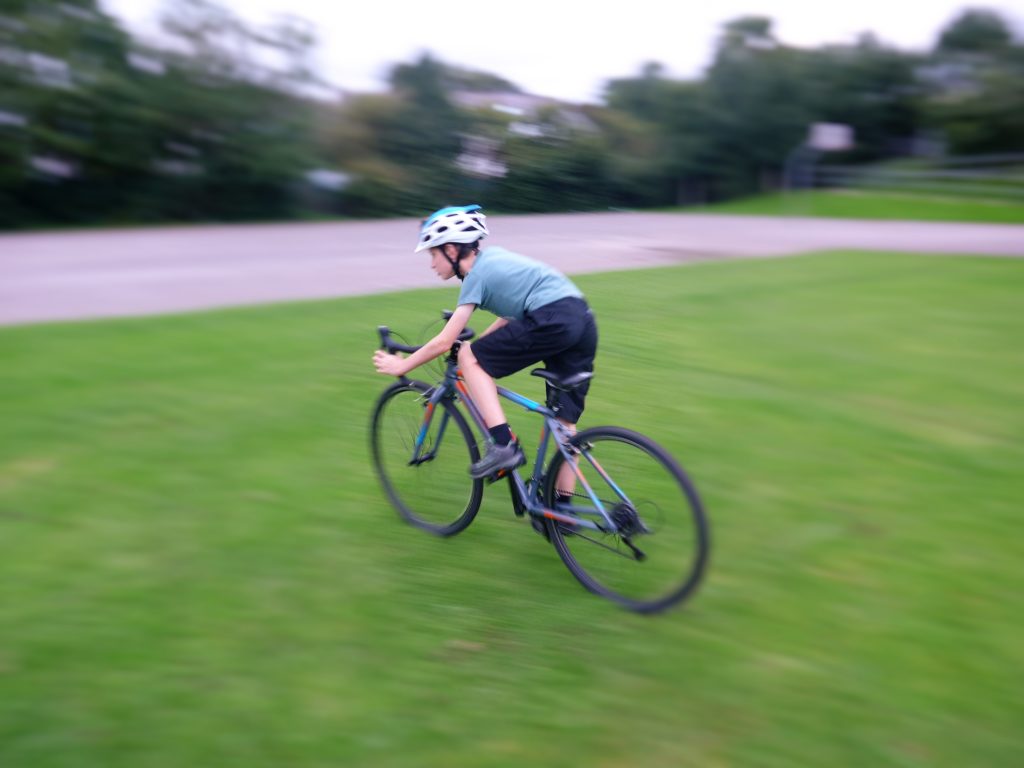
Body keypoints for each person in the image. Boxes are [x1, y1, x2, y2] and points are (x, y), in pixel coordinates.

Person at [372, 204, 598, 492]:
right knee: (564, 422)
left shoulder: (476, 275)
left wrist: (401, 366)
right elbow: (513, 313)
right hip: (581, 320)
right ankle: (562, 512)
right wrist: (477, 348)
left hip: (552, 319)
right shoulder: (497, 260)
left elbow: (443, 341)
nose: (432, 264)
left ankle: (504, 445)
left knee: (469, 357)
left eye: (433, 254)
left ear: (452, 251)